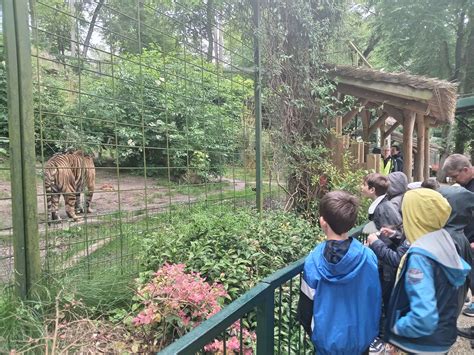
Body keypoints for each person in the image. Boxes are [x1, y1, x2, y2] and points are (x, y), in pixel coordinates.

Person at [385, 188, 471, 354]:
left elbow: (424, 318)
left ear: (415, 218)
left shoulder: (420, 256)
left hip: (422, 344)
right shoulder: (443, 240)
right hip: (442, 337)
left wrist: (396, 328)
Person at [297, 191, 381, 355]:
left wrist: (317, 336)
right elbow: (374, 298)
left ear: (323, 222)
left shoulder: (313, 261)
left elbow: (305, 312)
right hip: (360, 343)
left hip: (326, 346)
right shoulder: (368, 257)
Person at [442, 154, 474, 316]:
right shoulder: (464, 186)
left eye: (455, 176)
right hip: (465, 241)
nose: (454, 181)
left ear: (466, 169)